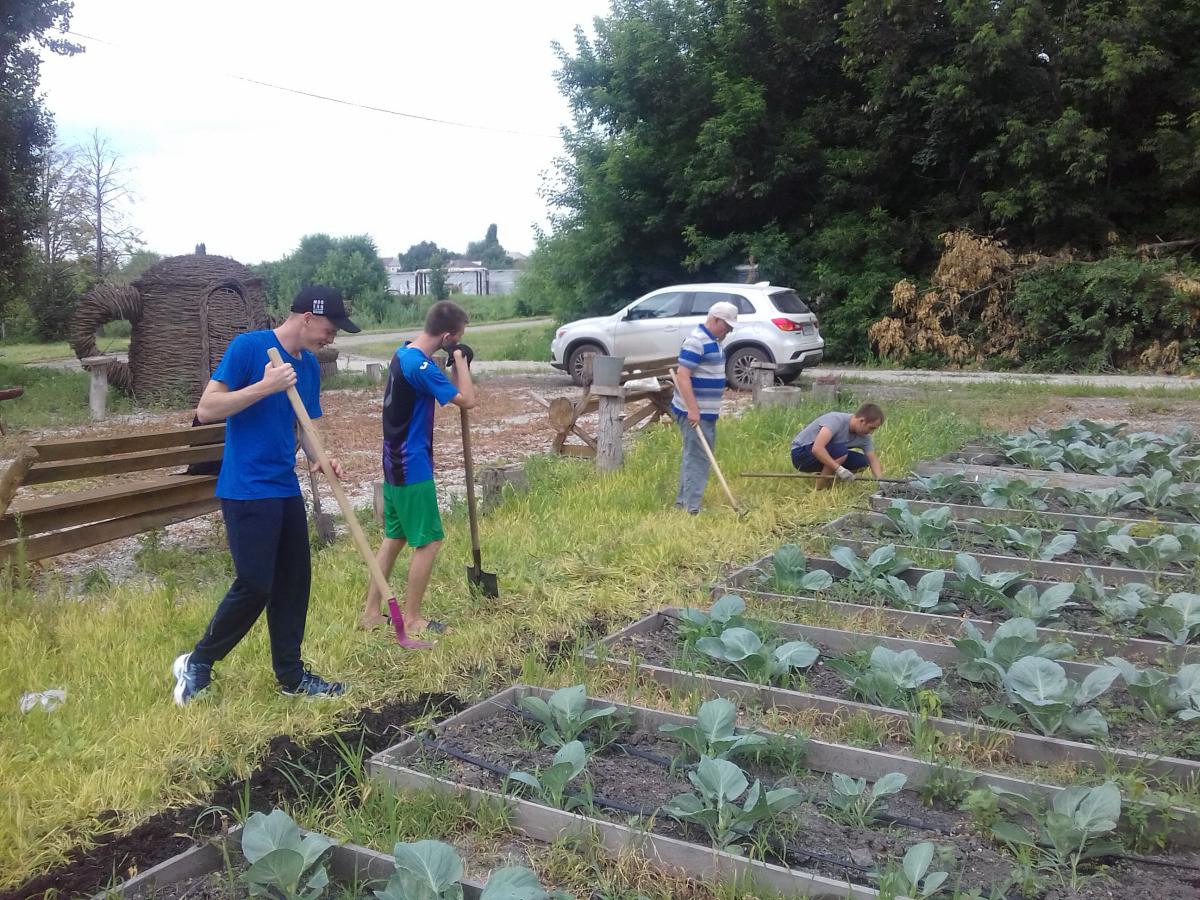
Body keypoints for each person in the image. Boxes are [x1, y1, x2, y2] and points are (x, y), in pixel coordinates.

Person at [172, 285, 358, 706]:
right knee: (256, 583)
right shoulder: (250, 348)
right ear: (307, 318)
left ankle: (292, 678)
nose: (332, 337)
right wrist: (265, 386)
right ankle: (197, 662)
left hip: (283, 486)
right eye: (330, 328)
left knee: (294, 583)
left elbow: (305, 426)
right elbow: (207, 409)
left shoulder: (308, 367)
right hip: (246, 487)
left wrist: (321, 458)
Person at [358, 300, 477, 635]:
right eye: (457, 338)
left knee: (394, 536)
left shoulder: (404, 353)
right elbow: (467, 399)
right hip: (412, 466)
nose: (456, 343)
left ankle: (370, 613)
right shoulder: (421, 368)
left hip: (393, 463)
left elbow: (447, 390)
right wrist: (459, 360)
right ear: (447, 335)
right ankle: (412, 619)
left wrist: (453, 363)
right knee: (429, 542)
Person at [671, 301, 739, 514]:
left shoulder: (715, 340)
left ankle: (684, 502)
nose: (728, 330)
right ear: (715, 319)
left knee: (695, 455)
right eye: (726, 326)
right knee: (699, 457)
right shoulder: (696, 341)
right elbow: (683, 376)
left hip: (705, 413)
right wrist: (693, 409)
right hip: (694, 413)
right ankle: (691, 508)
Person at [790, 403, 885, 488]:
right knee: (840, 451)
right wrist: (839, 469)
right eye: (871, 428)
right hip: (801, 454)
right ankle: (820, 487)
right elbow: (817, 449)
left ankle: (828, 476)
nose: (871, 432)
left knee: (864, 461)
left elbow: (873, 460)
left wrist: (881, 481)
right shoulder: (836, 420)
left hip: (826, 454)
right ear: (862, 421)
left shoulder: (864, 437)